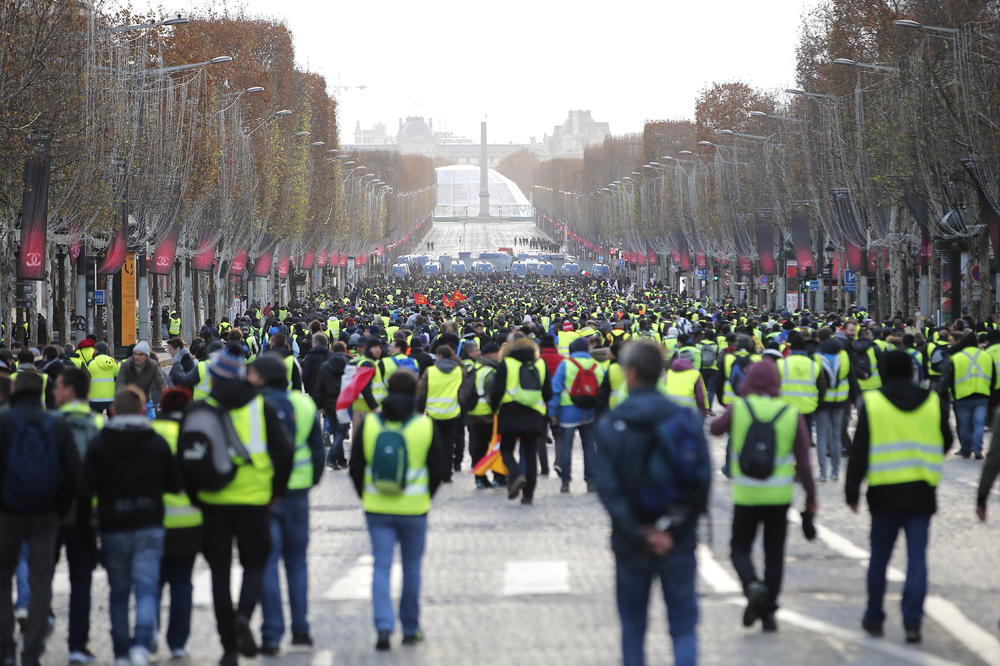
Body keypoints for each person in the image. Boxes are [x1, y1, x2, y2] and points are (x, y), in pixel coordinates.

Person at [594, 340, 710, 666]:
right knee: (684, 628)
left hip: (630, 542)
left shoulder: (611, 424)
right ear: (661, 373)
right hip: (678, 538)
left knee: (633, 628)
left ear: (630, 373)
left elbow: (608, 490)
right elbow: (700, 482)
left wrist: (638, 531)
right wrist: (671, 529)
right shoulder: (685, 419)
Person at [179, 343, 293, 666]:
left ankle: (228, 646)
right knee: (254, 565)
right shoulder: (262, 408)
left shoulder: (197, 412)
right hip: (256, 500)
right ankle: (244, 615)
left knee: (219, 573)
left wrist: (196, 497)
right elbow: (284, 454)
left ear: (213, 378)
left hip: (214, 502)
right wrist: (276, 491)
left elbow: (184, 461)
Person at [847, 350, 951, 644]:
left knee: (879, 558)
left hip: (883, 491)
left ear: (884, 372)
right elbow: (946, 440)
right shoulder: (932, 401)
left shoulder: (874, 403)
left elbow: (860, 449)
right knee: (917, 558)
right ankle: (912, 622)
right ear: (912, 371)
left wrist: (852, 489)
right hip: (921, 490)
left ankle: (874, 616)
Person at [710, 361, 817, 633]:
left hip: (746, 493)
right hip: (779, 495)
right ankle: (768, 614)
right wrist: (811, 497)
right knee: (774, 554)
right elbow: (804, 462)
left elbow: (715, 429)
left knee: (739, 549)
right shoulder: (789, 413)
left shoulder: (741, 408)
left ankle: (752, 586)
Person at [78, 387, 180, 666]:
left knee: (119, 592)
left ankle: (121, 651)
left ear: (112, 411)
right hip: (149, 523)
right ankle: (142, 645)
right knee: (147, 589)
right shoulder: (156, 442)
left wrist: (87, 530)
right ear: (141, 411)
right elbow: (173, 483)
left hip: (114, 525)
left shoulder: (100, 443)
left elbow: (86, 490)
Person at [348, 370, 448, 651]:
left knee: (381, 566)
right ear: (416, 392)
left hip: (377, 506)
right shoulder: (424, 426)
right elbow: (439, 469)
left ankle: (383, 626)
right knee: (412, 568)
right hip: (414, 508)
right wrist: (426, 495)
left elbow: (356, 468)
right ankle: (411, 627)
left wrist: (366, 495)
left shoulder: (369, 425)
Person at [247, 355, 325, 655]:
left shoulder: (250, 407)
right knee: (297, 563)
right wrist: (310, 480)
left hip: (263, 494)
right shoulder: (303, 404)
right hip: (297, 493)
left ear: (262, 379)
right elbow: (317, 451)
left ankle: (271, 633)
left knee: (267, 563)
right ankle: (301, 629)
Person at [0, 373, 79, 666]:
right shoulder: (56, 423)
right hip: (45, 513)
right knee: (41, 581)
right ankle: (32, 650)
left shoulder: (5, 422)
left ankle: (6, 647)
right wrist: (60, 505)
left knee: (2, 577)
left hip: (7, 512)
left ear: (16, 390)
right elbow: (72, 471)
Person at [52, 369, 105, 664]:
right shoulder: (99, 423)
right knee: (82, 582)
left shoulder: (52, 422)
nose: (54, 392)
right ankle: (78, 644)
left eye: (58, 387)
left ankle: (33, 634)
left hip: (52, 511)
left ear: (69, 391)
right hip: (88, 513)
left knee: (41, 575)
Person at [151, 387, 201, 660]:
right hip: (188, 521)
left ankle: (150, 633)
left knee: (153, 583)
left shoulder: (151, 434)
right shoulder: (193, 435)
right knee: (183, 583)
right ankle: (178, 641)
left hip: (154, 519)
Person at [487, 335, 551, 505]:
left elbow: (497, 391)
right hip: (534, 413)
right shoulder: (541, 364)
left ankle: (515, 475)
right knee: (530, 455)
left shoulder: (506, 364)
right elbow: (548, 393)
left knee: (506, 450)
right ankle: (528, 495)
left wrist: (494, 410)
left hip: (509, 412)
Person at [548, 337, 607, 493]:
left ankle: (566, 481)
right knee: (589, 447)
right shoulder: (596, 366)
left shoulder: (566, 364)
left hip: (568, 411)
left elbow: (556, 390)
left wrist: (553, 412)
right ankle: (591, 481)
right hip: (590, 412)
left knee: (566, 447)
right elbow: (603, 390)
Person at [943, 330, 996, 459]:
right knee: (979, 423)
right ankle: (978, 449)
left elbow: (948, 378)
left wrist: (948, 394)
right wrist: (990, 391)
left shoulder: (957, 358)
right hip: (982, 396)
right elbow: (993, 377)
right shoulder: (986, 356)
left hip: (962, 397)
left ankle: (966, 449)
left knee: (964, 425)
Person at [416, 344, 464, 480]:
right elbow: (465, 375)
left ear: (439, 356)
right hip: (452, 412)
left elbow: (422, 392)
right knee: (449, 444)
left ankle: (435, 471)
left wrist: (420, 410)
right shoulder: (458, 371)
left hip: (433, 413)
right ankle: (447, 474)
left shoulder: (430, 371)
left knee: (435, 444)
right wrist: (456, 358)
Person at [466, 343, 503, 489]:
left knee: (477, 448)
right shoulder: (490, 372)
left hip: (473, 414)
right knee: (494, 447)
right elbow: (493, 396)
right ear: (491, 354)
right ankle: (498, 476)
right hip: (488, 415)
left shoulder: (474, 368)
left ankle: (479, 478)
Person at [314, 341, 351, 469]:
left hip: (329, 403)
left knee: (337, 431)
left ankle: (340, 460)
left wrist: (320, 405)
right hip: (345, 402)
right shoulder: (350, 364)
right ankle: (332, 458)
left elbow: (319, 387)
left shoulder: (325, 366)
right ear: (345, 349)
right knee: (341, 431)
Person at [116, 341, 165, 407]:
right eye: (135, 354)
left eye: (140, 354)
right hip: (130, 401)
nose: (137, 357)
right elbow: (120, 382)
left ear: (147, 356)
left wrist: (166, 398)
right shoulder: (127, 365)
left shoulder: (152, 365)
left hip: (146, 400)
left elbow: (161, 383)